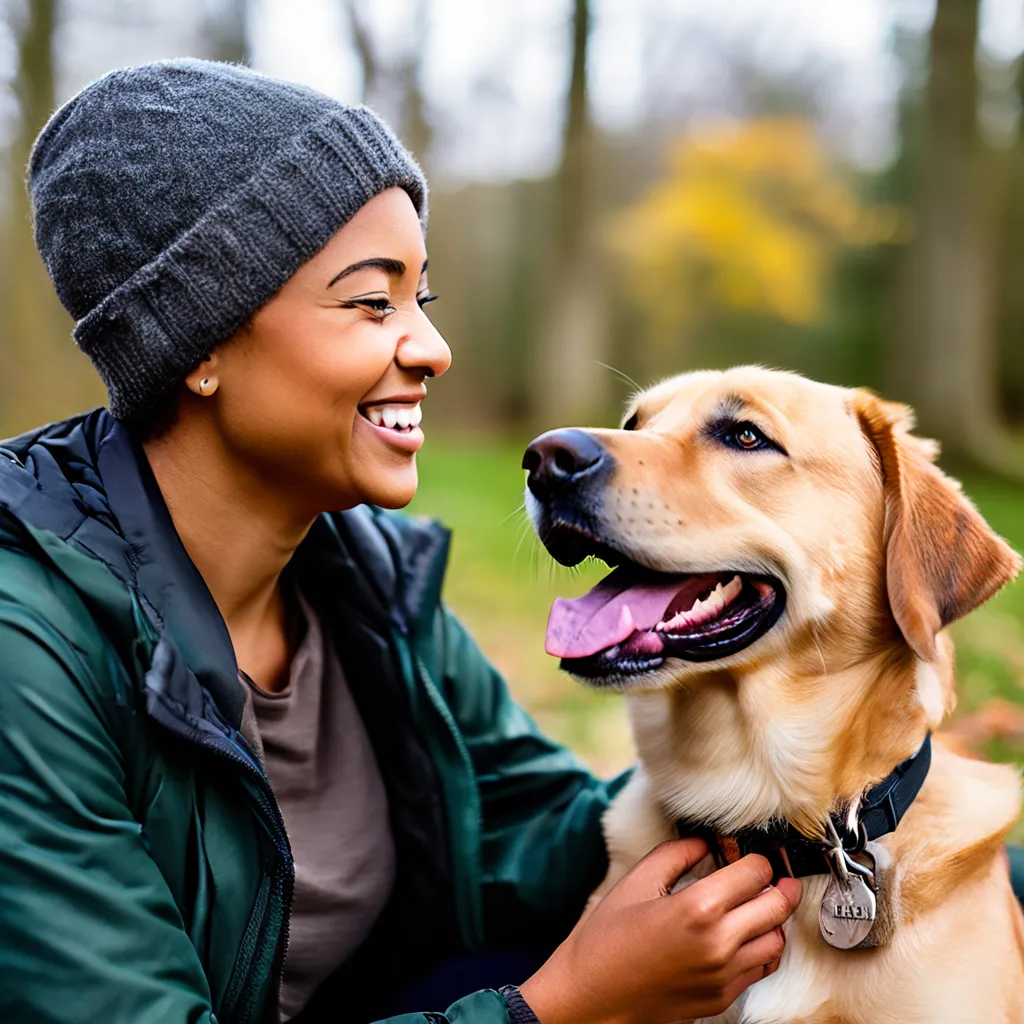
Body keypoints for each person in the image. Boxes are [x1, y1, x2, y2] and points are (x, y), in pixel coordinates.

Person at [0, 59, 803, 1024]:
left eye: (424, 300)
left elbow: (543, 830)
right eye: (370, 303)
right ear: (198, 347)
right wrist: (558, 1008)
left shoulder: (367, 578)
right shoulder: (29, 646)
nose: (430, 347)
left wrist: (853, 807)